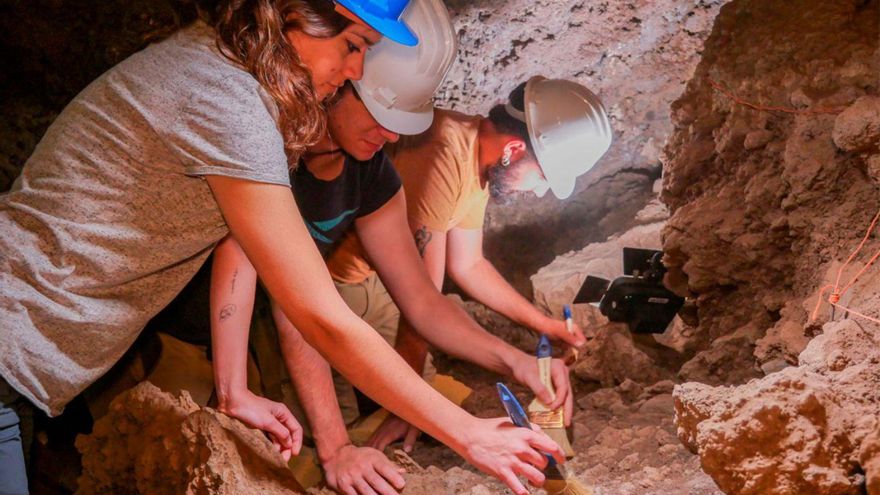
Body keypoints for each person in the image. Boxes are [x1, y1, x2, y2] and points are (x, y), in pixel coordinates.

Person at [0, 2, 561, 494]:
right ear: (296, 16)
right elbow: (316, 313)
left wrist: (233, 389)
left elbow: (411, 295)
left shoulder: (224, 76)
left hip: (27, 363)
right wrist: (466, 435)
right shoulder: (230, 106)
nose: (355, 68)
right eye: (352, 46)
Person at [329, 75, 614, 450]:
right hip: (328, 283)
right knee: (344, 436)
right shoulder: (443, 154)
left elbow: (469, 265)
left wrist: (544, 325)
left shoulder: (477, 159)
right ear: (514, 149)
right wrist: (408, 407)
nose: (539, 190)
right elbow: (422, 307)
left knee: (428, 399)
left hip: (375, 285)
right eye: (542, 176)